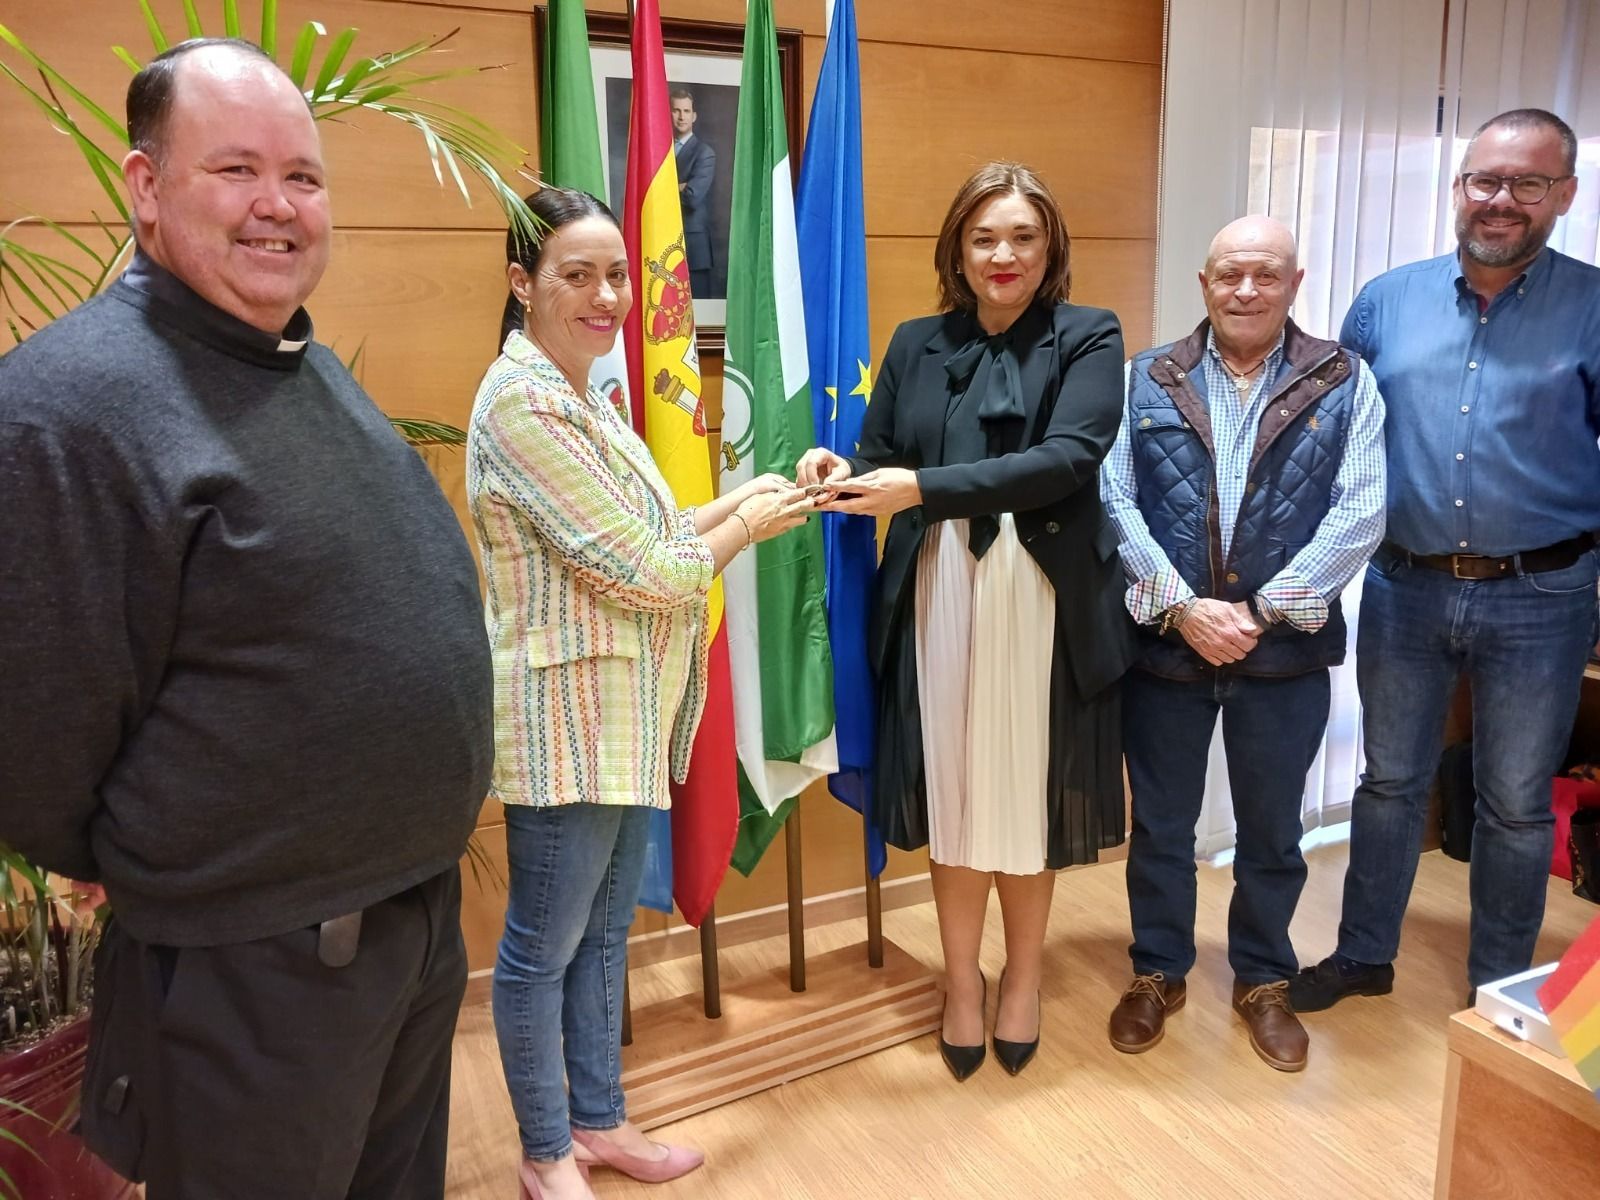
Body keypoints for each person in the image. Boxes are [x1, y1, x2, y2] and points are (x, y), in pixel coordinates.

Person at [0, 39, 493, 1198]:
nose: (278, 206)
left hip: (403, 933)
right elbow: (33, 722)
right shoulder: (64, 409)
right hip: (251, 963)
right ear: (144, 186)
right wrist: (153, 855)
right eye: (235, 170)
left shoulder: (294, 361)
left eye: (304, 178)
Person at [468, 185, 813, 1200]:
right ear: (520, 283)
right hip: (566, 727)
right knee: (542, 949)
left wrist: (756, 492)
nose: (607, 294)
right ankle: (544, 1154)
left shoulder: (585, 393)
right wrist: (751, 527)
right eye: (577, 274)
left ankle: (599, 1122)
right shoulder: (522, 398)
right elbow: (653, 571)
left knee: (603, 935)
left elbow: (661, 532)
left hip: (624, 720)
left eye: (617, 273)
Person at [796, 161, 1138, 1081]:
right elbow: (882, 457)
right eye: (985, 235)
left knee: (1026, 795)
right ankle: (959, 982)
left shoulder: (1089, 336)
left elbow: (1068, 459)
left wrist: (921, 488)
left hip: (1042, 596)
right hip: (939, 586)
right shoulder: (915, 341)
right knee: (953, 792)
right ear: (957, 246)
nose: (1003, 254)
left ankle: (1021, 980)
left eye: (1024, 236)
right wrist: (840, 468)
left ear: (1050, 249)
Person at [1293, 108, 1600, 1012]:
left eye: (1527, 184)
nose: (1501, 200)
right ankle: (1363, 955)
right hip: (1403, 584)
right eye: (1484, 181)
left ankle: (1502, 986)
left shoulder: (1593, 306)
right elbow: (1336, 439)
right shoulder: (1387, 300)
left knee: (1512, 801)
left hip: (1542, 594)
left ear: (1564, 196)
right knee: (1388, 781)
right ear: (1459, 187)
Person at [1099, 216, 1386, 1072]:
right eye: (1229, 274)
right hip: (1165, 647)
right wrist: (1186, 609)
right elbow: (1115, 503)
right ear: (1204, 282)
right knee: (1160, 825)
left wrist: (1258, 613)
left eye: (1265, 275)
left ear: (1295, 283)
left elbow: (1360, 510)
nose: (1246, 290)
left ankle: (1263, 977)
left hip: (1283, 653)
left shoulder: (1344, 380)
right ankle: (1157, 971)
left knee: (1271, 829)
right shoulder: (1144, 379)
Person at [670, 87, 717, 298]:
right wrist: (679, 185)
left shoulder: (704, 153)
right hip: (665, 242)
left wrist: (667, 187)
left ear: (694, 116)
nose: (681, 116)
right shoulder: (662, 150)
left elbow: (692, 197)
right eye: (676, 110)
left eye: (686, 111)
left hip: (693, 249)